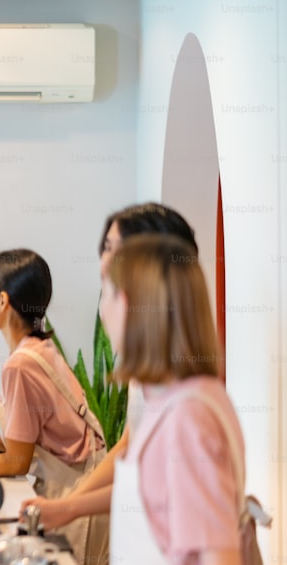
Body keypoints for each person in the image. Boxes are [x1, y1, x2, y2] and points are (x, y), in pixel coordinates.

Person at [45, 234, 251, 565]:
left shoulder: (187, 418)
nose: (103, 311)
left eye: (110, 295)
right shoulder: (177, 400)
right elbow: (170, 545)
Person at [20, 203, 198, 534]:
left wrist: (71, 506)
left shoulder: (191, 403)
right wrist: (67, 506)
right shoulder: (147, 378)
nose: (103, 311)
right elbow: (130, 447)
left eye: (114, 291)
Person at [0, 248, 106, 565]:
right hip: (83, 487)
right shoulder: (39, 349)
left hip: (76, 496)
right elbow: (29, 433)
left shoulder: (20, 364)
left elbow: (17, 461)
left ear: (3, 300)